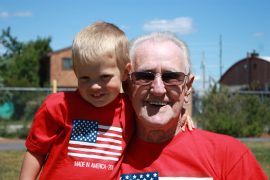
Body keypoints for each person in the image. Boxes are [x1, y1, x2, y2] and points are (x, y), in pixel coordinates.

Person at [19, 22, 193, 180]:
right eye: (85, 78)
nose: (94, 86)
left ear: (125, 72)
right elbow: (36, 151)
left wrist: (181, 115)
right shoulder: (58, 105)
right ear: (75, 72)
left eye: (105, 77)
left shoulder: (130, 108)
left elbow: (157, 108)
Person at [119, 32, 267, 179]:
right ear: (127, 86)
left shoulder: (229, 156)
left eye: (171, 77)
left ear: (188, 88)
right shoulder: (103, 156)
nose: (158, 89)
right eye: (145, 76)